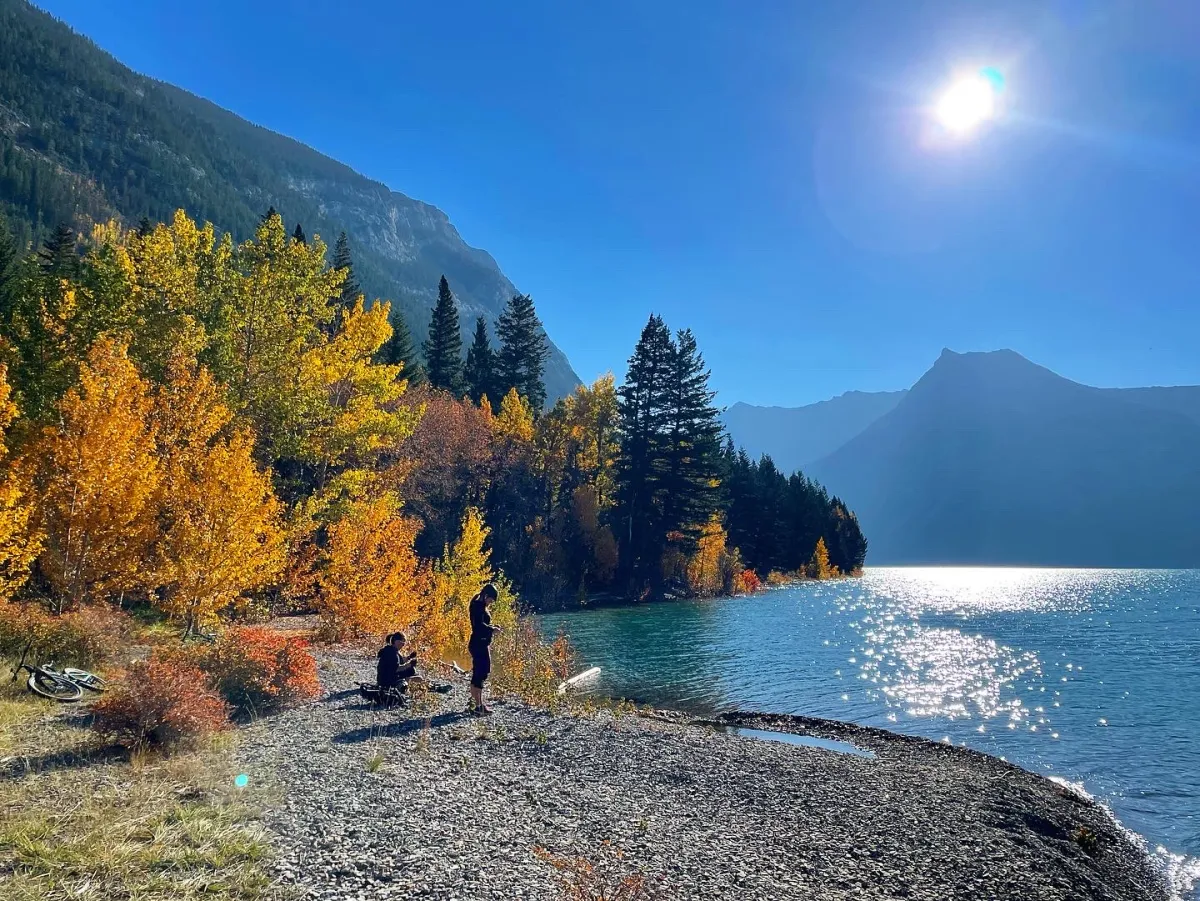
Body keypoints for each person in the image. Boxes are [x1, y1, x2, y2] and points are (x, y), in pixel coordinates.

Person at [467, 583, 501, 714]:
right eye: (491, 600)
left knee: (478, 672)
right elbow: (479, 626)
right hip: (479, 644)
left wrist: (492, 626)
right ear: (486, 595)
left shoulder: (477, 605)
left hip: (478, 643)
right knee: (481, 672)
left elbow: (482, 624)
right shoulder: (478, 608)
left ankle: (475, 703)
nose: (491, 603)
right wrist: (492, 630)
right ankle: (479, 706)